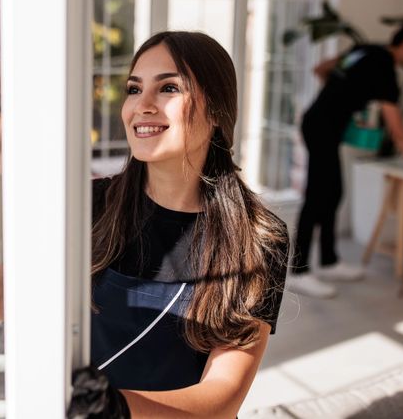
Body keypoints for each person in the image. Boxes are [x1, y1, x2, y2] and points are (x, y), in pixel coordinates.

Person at [73, 31, 289, 418]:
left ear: (217, 112)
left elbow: (223, 397)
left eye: (169, 88)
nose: (143, 105)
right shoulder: (89, 206)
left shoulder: (258, 238)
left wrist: (116, 409)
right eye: (134, 89)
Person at [288, 24, 403, 299]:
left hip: (318, 123)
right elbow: (398, 132)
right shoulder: (385, 72)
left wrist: (340, 96)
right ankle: (299, 271)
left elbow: (320, 69)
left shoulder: (365, 50)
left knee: (333, 194)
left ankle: (329, 261)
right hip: (323, 128)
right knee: (318, 198)